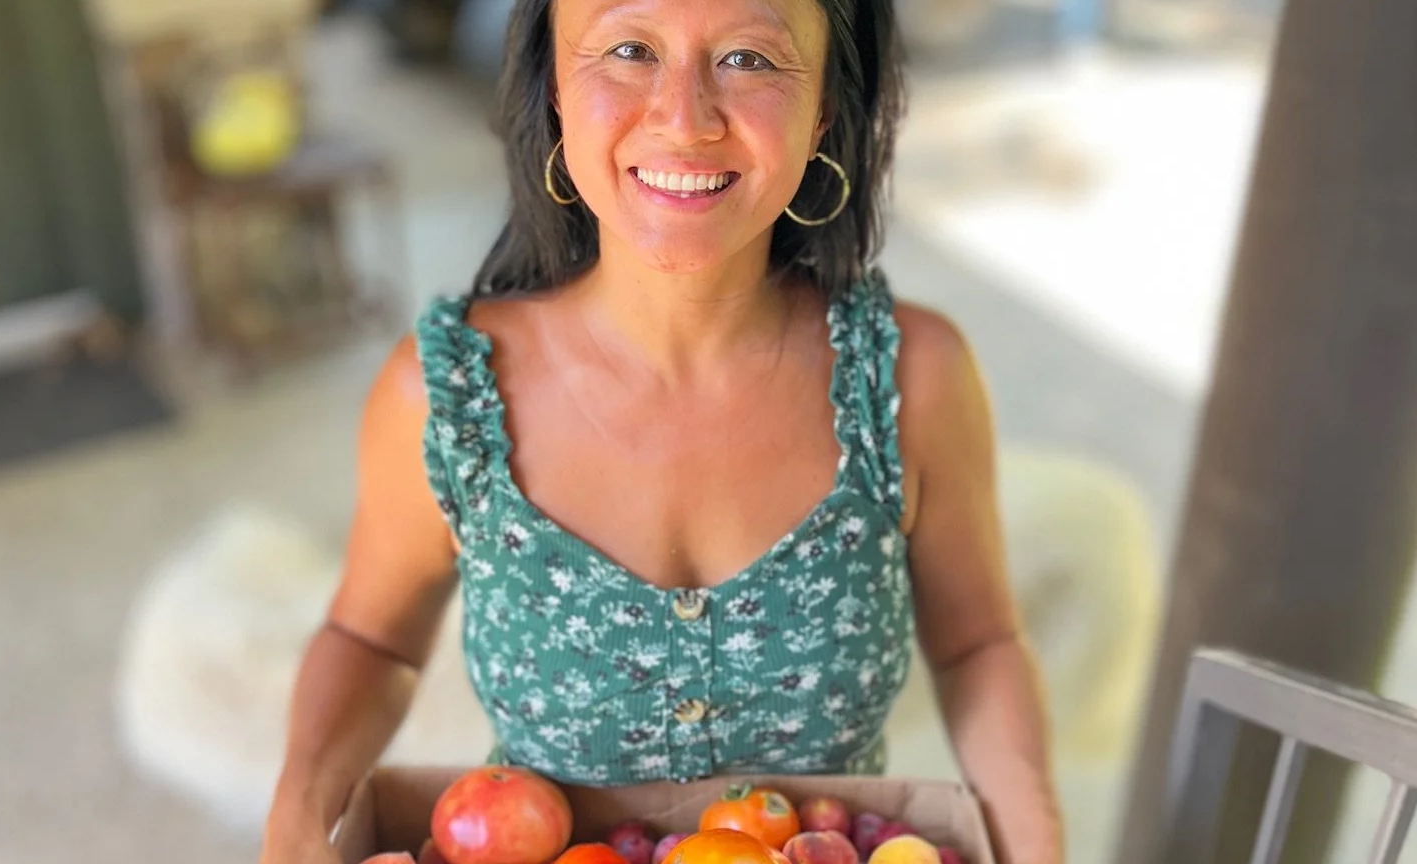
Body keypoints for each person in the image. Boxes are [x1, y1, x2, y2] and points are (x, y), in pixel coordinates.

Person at [259, 0, 1064, 861]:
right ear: (556, 87)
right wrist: (297, 819)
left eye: (750, 60)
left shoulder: (911, 379)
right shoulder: (443, 394)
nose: (684, 120)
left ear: (825, 106)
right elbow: (370, 639)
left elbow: (979, 644)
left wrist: (1034, 836)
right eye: (631, 48)